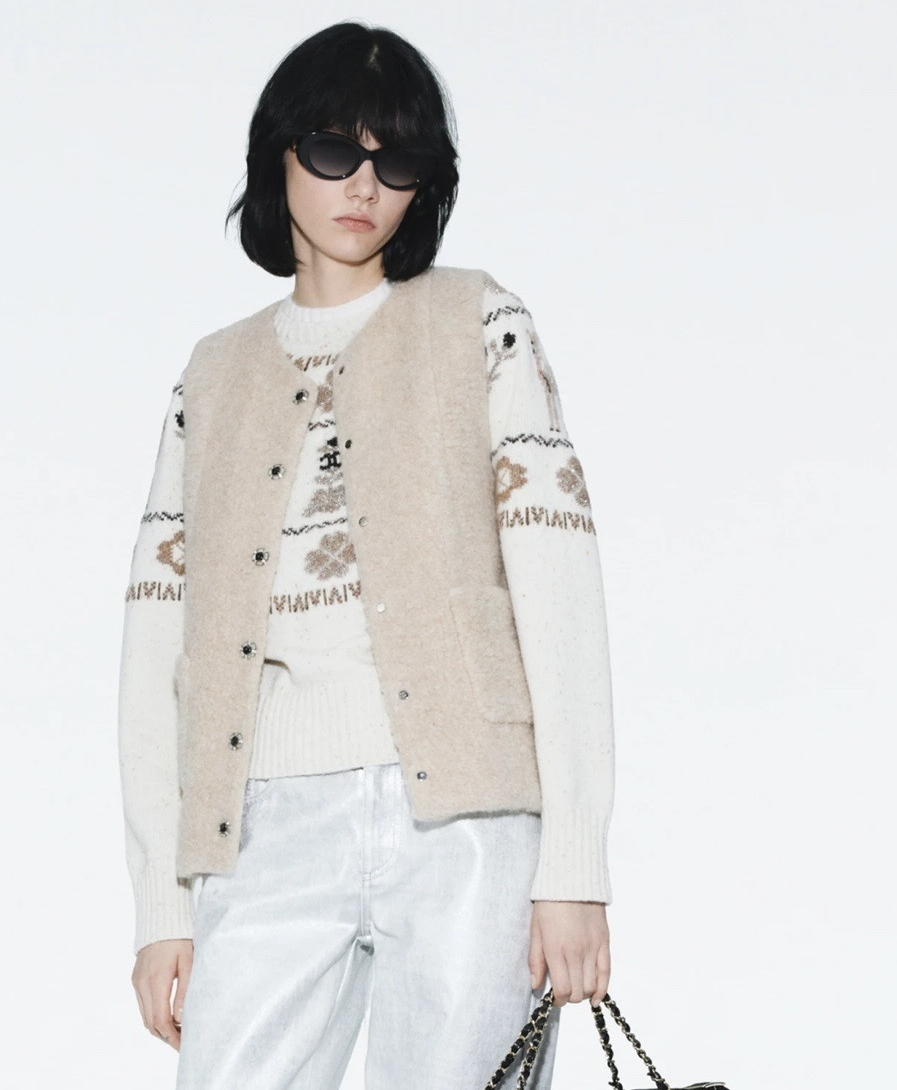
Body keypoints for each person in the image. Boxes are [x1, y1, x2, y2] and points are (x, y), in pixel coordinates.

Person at [118, 21, 614, 1090]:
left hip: (471, 822)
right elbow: (158, 649)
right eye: (334, 150)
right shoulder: (213, 377)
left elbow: (561, 597)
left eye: (397, 161)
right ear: (279, 156)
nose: (363, 185)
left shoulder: (481, 324)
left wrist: (573, 865)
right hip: (265, 819)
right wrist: (163, 907)